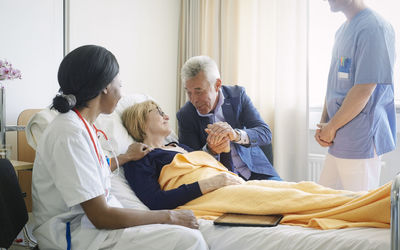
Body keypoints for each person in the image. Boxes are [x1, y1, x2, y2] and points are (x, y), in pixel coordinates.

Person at [31, 45, 213, 250]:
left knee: (183, 235)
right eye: (120, 84)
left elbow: (91, 171)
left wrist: (124, 158)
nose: (122, 93)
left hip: (93, 226)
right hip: (76, 235)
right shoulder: (69, 133)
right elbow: (100, 216)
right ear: (105, 87)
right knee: (188, 243)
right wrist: (169, 216)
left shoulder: (82, 127)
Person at [121, 100, 390, 230]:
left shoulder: (180, 148)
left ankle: (379, 201)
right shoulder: (141, 158)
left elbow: (225, 172)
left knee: (304, 188)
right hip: (212, 195)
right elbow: (156, 202)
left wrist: (225, 150)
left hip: (230, 186)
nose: (167, 115)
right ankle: (383, 205)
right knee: (295, 199)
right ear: (142, 122)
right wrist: (211, 183)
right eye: (158, 113)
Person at [315, 0, 396, 191]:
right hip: (337, 135)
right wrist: (324, 124)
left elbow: (364, 89)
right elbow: (333, 83)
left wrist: (331, 127)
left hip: (360, 138)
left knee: (355, 210)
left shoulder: (375, 28)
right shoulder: (343, 31)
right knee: (325, 204)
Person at [177, 55, 281, 181]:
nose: (194, 100)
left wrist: (235, 135)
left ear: (217, 85)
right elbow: (190, 162)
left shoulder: (237, 96)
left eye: (199, 91)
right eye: (189, 92)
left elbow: (265, 133)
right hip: (221, 179)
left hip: (257, 172)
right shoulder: (186, 115)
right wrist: (210, 150)